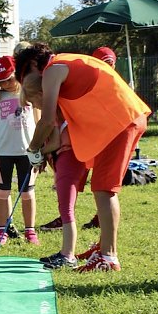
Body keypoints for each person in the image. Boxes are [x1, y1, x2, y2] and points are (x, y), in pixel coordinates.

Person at [15, 42, 150, 272]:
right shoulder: (64, 63)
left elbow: (46, 120)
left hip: (121, 121)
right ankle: (103, 248)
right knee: (102, 187)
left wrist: (33, 149)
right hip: (123, 119)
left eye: (24, 74)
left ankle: (108, 257)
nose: (26, 81)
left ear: (35, 64)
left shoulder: (52, 70)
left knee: (104, 189)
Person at [39, 46, 118, 232]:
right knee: (74, 181)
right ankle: (66, 217)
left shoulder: (112, 82)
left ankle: (100, 222)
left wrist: (38, 149)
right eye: (104, 63)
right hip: (81, 139)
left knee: (103, 185)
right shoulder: (87, 78)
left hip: (105, 136)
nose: (107, 67)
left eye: (110, 63)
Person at [0, 55, 39, 246]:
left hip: (27, 152)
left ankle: (30, 230)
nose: (6, 84)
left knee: (27, 193)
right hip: (2, 152)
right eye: (2, 81)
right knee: (2, 193)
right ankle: (2, 230)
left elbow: (38, 120)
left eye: (10, 79)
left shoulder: (31, 94)